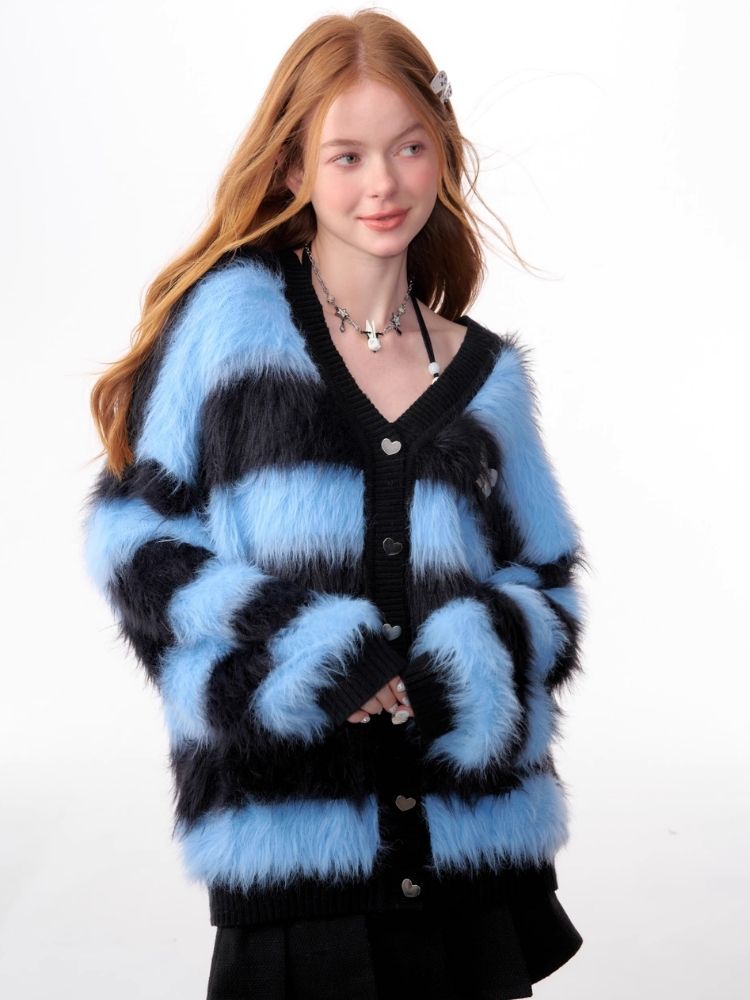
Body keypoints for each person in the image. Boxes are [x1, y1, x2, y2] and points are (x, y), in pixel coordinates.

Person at [81, 9, 589, 999]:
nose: (383, 184)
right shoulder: (228, 328)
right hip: (293, 863)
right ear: (290, 169)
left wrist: (470, 662)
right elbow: (133, 541)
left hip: (474, 866)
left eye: (408, 147)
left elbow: (550, 583)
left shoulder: (487, 379)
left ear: (442, 151)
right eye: (346, 155)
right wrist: (307, 652)